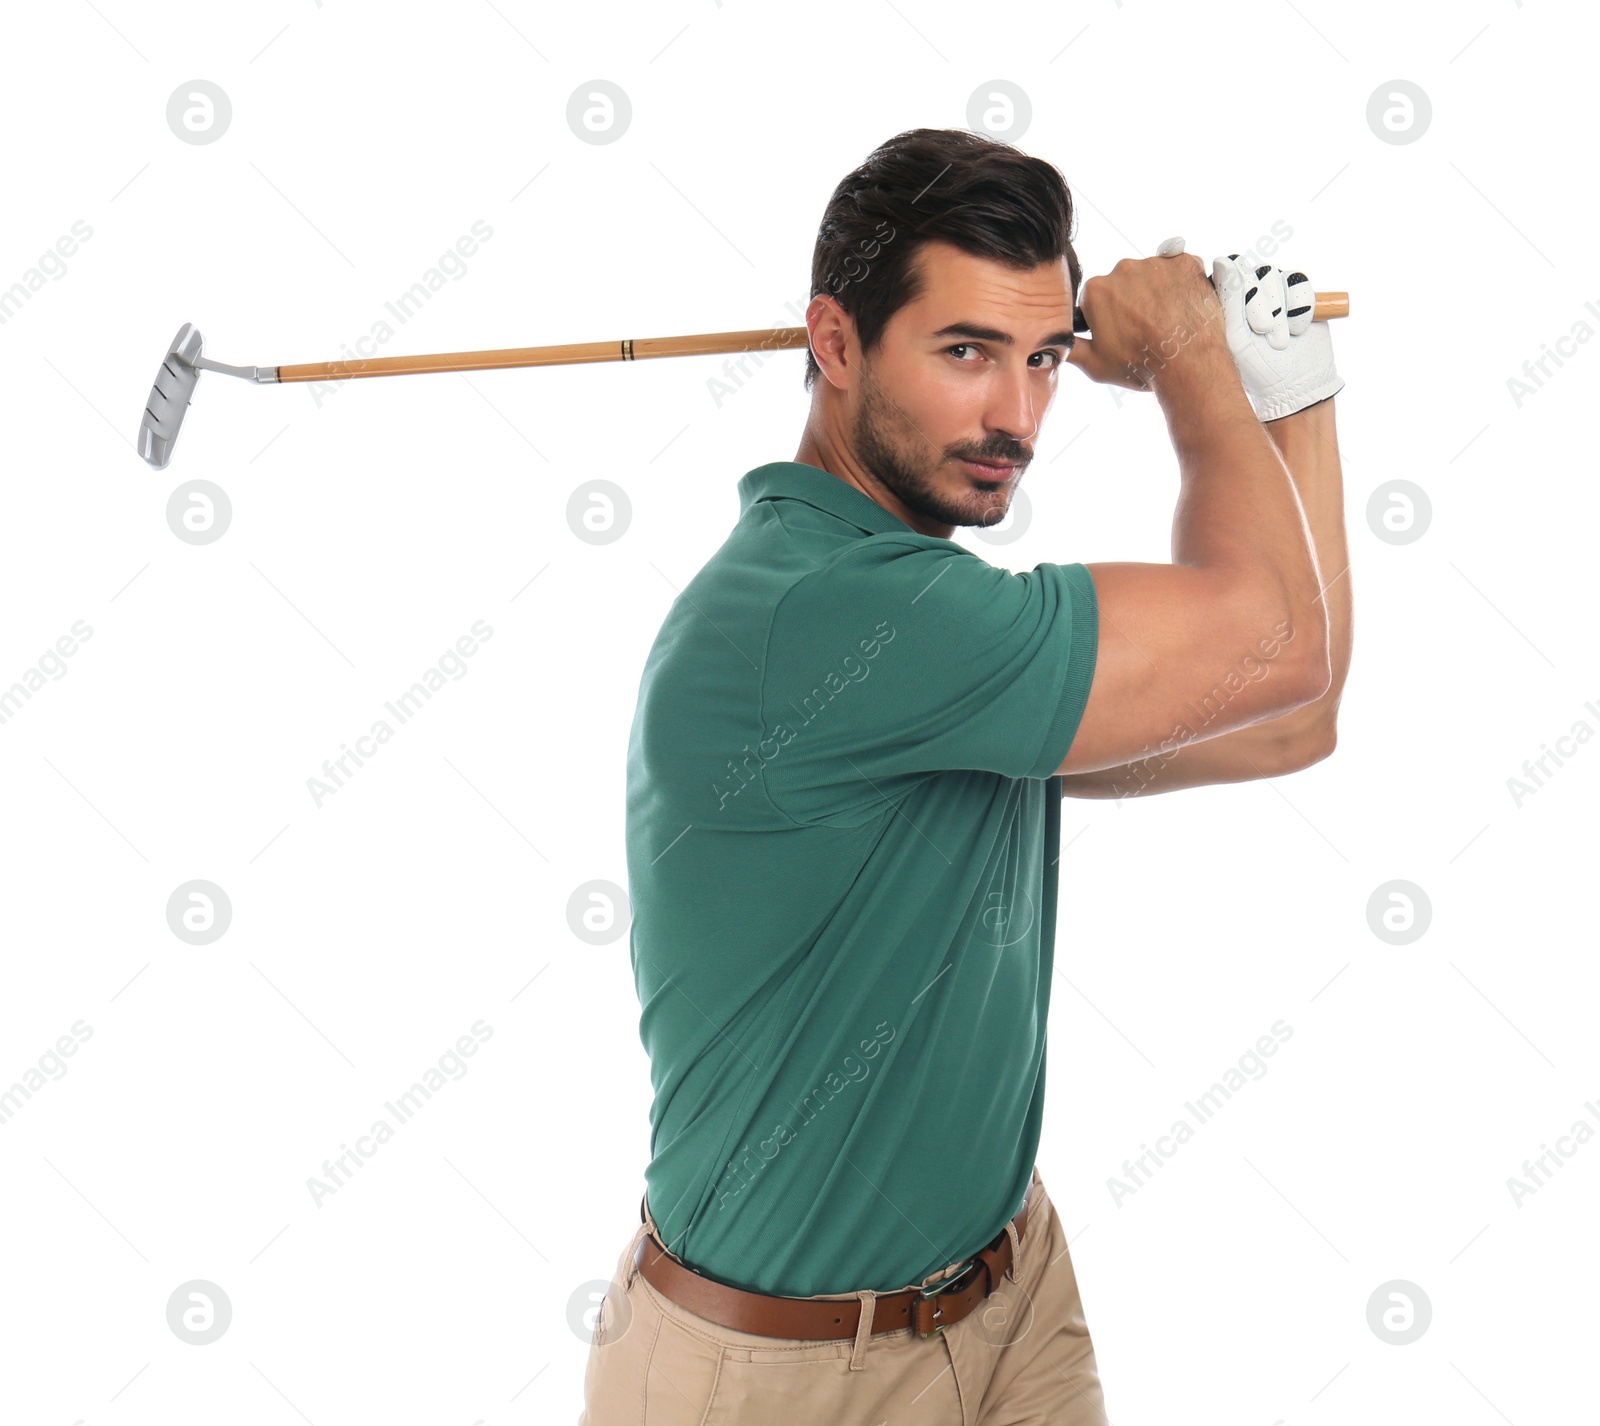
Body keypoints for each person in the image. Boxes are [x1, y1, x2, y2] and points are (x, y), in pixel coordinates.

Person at [580, 125, 1350, 1424]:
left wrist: (1294, 395)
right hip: (777, 1378)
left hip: (1008, 1287)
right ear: (833, 344)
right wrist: (1189, 361)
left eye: (1043, 357)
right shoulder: (833, 622)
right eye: (965, 352)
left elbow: (1294, 707)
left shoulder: (932, 631)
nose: (1017, 415)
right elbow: (1272, 644)